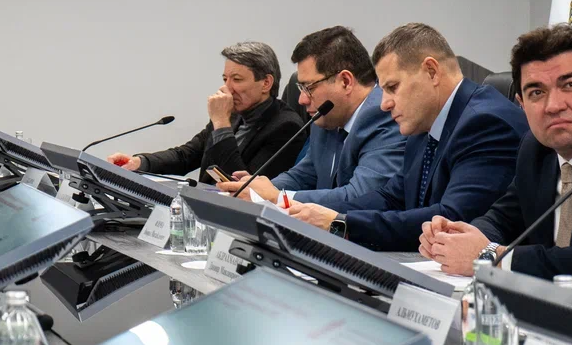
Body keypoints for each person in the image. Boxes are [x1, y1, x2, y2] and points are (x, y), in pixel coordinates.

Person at [286, 23, 528, 251]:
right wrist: (312, 212)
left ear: (432, 72)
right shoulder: (424, 125)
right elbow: (390, 197)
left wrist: (342, 224)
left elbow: (451, 219)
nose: (384, 104)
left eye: (392, 87)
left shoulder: (485, 124)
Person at [422, 25, 572, 278]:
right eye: (537, 92)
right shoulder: (535, 151)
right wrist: (456, 237)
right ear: (522, 104)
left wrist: (495, 257)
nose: (553, 106)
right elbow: (502, 219)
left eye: (570, 85)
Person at [217, 26, 406, 205]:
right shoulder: (328, 117)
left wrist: (278, 197)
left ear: (345, 81)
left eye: (309, 87)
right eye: (300, 88)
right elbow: (302, 176)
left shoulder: (384, 116)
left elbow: (361, 196)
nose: (301, 100)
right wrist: (257, 188)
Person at [108, 42, 306, 184]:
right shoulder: (232, 113)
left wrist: (221, 124)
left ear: (266, 83)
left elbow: (242, 187)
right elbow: (187, 155)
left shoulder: (286, 127)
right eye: (225, 79)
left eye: (237, 79)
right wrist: (140, 162)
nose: (226, 88)